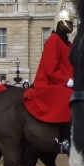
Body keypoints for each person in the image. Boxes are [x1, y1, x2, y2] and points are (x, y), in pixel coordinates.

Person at [23, 8, 75, 153]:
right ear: (61, 23)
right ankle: (64, 139)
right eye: (69, 22)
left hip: (65, 81)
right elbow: (51, 69)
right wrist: (67, 81)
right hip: (50, 82)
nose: (71, 25)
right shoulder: (53, 40)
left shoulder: (67, 43)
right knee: (67, 97)